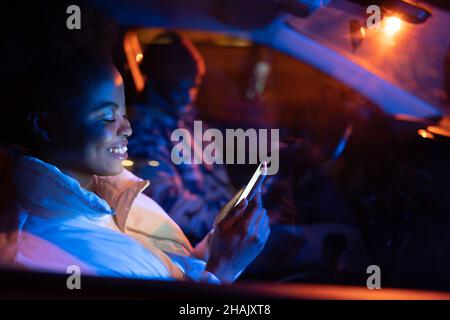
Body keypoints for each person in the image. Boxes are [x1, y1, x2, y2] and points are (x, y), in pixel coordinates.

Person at [0, 2, 270, 284]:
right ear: (45, 125)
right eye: (107, 117)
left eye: (123, 112)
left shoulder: (119, 189)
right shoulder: (35, 260)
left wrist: (217, 244)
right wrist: (222, 271)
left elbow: (175, 265)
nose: (128, 128)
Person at [128, 32, 235, 244]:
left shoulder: (191, 123)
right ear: (155, 82)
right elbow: (172, 210)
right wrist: (233, 223)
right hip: (202, 243)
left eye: (193, 85)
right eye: (178, 87)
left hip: (225, 227)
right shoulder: (141, 134)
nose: (188, 96)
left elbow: (220, 184)